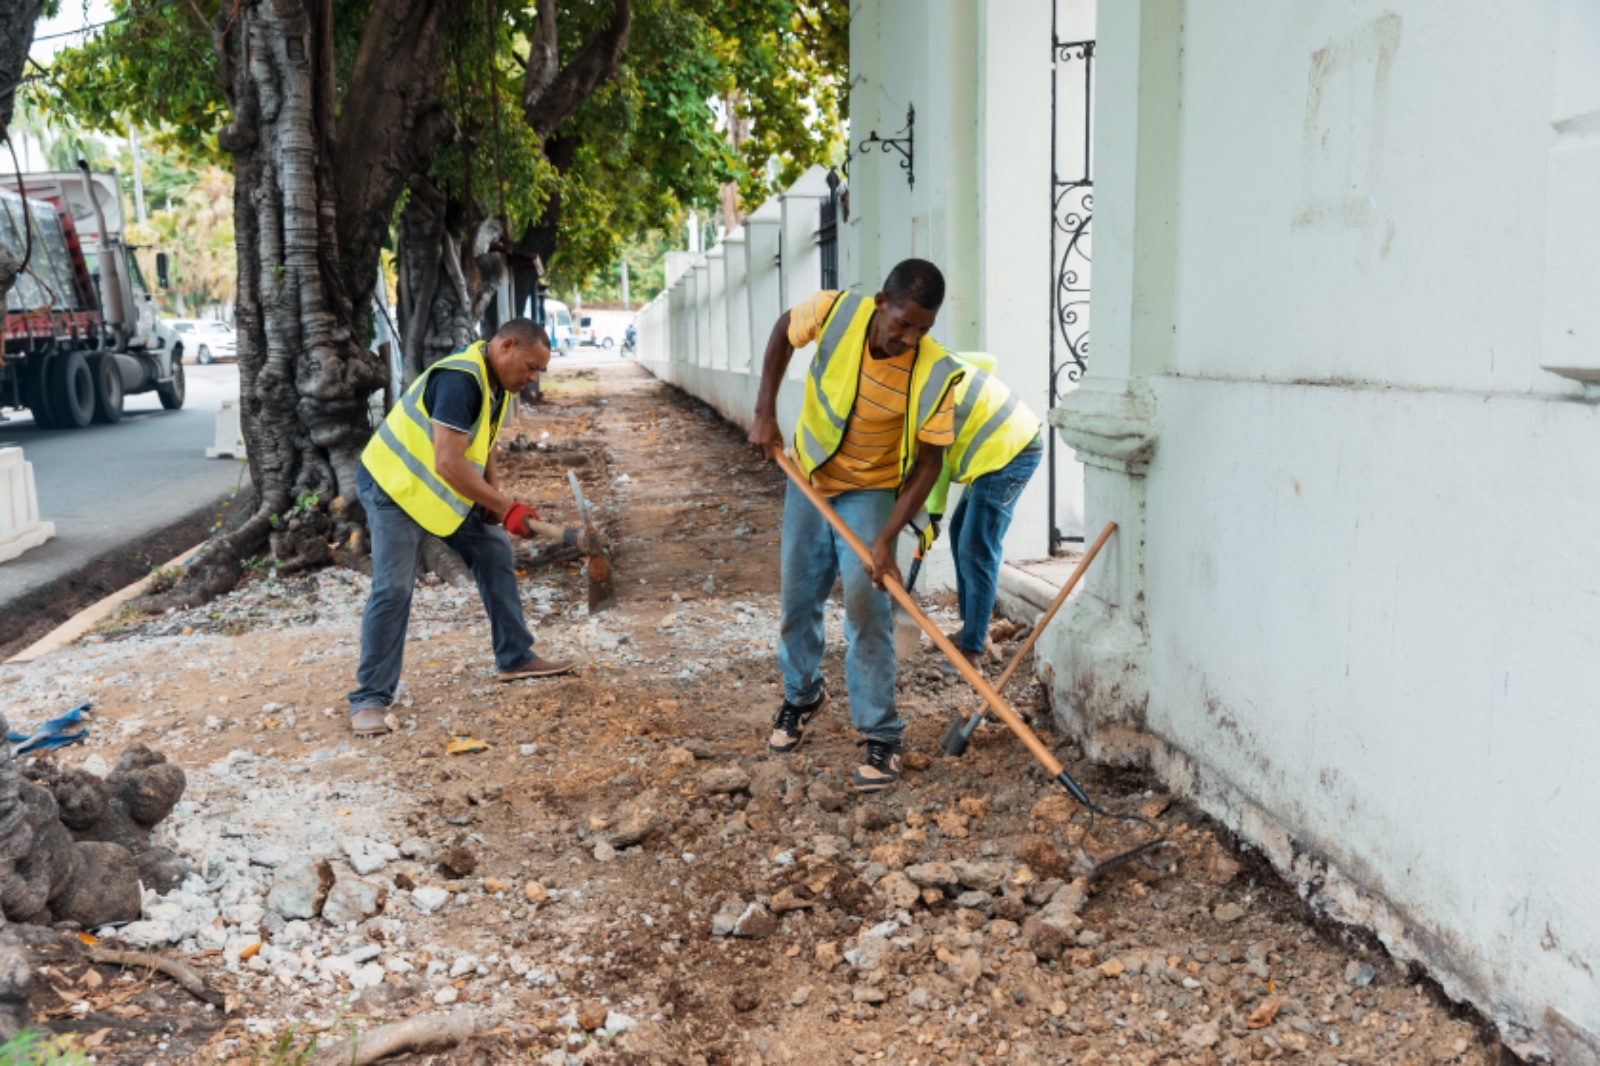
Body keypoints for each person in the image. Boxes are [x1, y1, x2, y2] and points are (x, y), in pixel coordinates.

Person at [747, 260, 965, 793]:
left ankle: (881, 734)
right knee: (797, 600)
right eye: (903, 324)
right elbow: (782, 331)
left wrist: (887, 537)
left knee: (868, 606)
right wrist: (764, 411)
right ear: (880, 304)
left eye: (923, 329)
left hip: (870, 489)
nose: (910, 338)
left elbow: (931, 463)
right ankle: (802, 696)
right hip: (810, 475)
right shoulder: (835, 311)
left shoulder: (937, 372)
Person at [347, 319, 576, 736]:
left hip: (440, 489)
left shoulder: (495, 383)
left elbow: (481, 444)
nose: (532, 377)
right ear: (505, 345)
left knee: (493, 550)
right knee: (394, 587)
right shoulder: (459, 380)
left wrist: (494, 497)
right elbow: (448, 462)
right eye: (530, 366)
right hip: (395, 486)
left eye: (537, 371)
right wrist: (506, 507)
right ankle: (369, 700)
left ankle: (515, 657)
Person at [897, 351, 1044, 671]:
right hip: (998, 449)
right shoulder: (936, 360)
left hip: (1011, 452)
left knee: (976, 546)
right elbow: (987, 361)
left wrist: (931, 515)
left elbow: (934, 466)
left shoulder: (923, 398)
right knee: (959, 531)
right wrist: (933, 520)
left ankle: (972, 653)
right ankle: (970, 630)